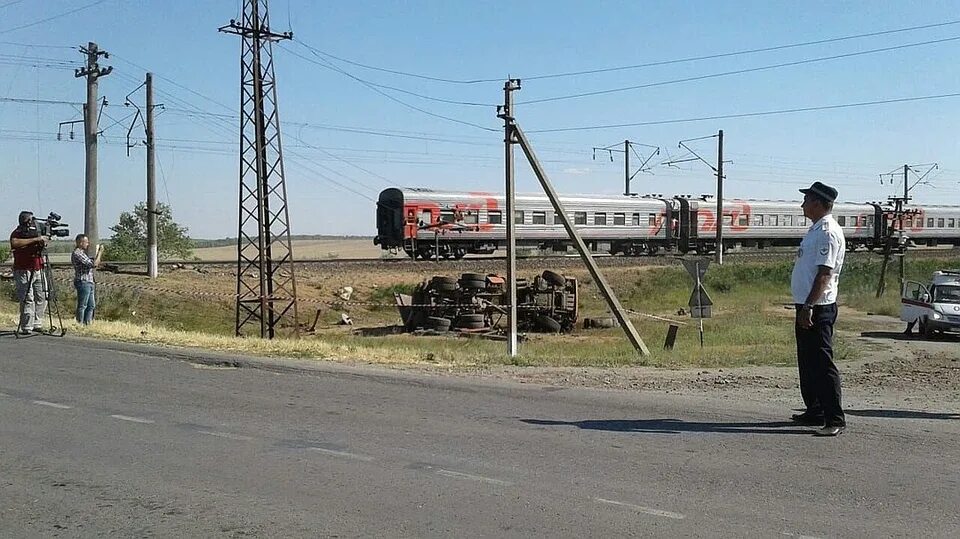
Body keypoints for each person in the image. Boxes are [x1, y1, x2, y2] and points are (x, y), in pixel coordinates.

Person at [790, 181, 847, 437]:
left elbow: (825, 273)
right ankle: (814, 410)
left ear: (817, 202)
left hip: (818, 307)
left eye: (806, 199)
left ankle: (834, 418)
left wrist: (809, 306)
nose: (802, 204)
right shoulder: (815, 229)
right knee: (808, 361)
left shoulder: (827, 232)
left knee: (822, 363)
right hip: (806, 304)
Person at [9, 211, 49, 334]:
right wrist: (36, 239)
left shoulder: (35, 232)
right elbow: (14, 242)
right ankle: (27, 326)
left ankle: (37, 322)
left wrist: (43, 240)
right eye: (31, 220)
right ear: (25, 221)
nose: (33, 223)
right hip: (23, 269)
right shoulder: (18, 233)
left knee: (43, 295)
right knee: (28, 298)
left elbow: (44, 243)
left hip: (38, 268)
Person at [71, 234, 102, 325]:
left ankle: (87, 323)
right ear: (80, 242)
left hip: (89, 281)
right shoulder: (78, 253)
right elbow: (93, 264)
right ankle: (79, 323)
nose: (88, 244)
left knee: (91, 305)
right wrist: (100, 252)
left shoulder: (82, 254)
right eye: (86, 242)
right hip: (83, 281)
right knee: (83, 305)